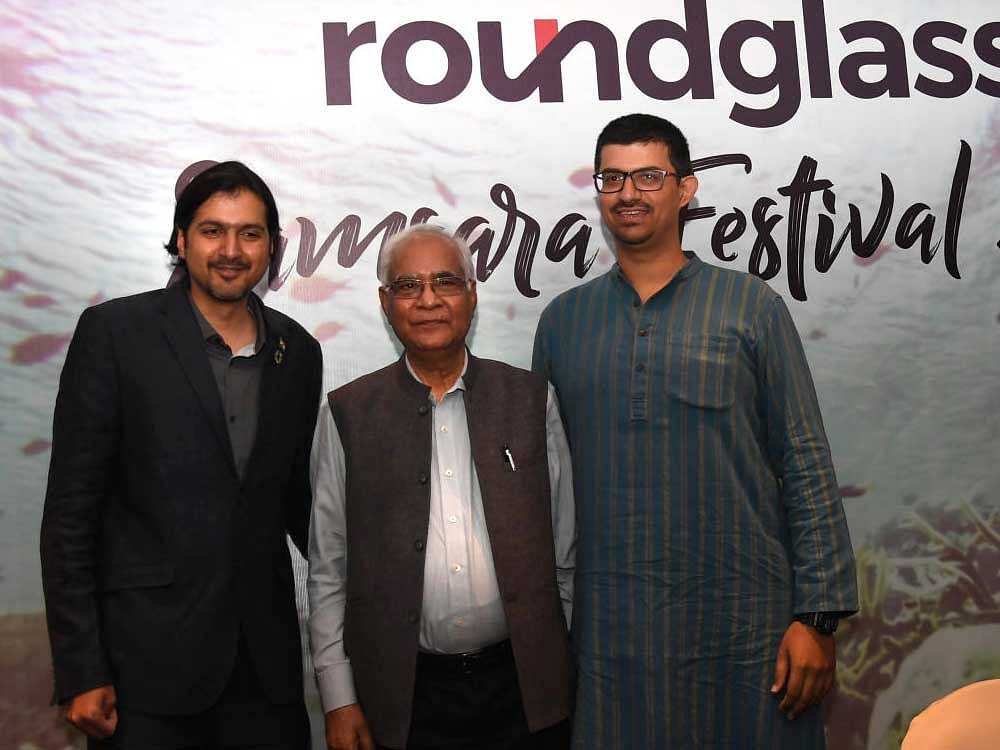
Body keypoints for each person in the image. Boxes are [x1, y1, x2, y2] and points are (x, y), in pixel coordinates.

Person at [532, 113, 859, 748]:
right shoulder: (563, 323)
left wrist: (816, 617)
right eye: (613, 177)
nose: (629, 193)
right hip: (610, 633)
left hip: (747, 629)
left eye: (649, 176)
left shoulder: (750, 306)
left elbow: (805, 458)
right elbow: (542, 484)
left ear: (685, 189)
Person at [40, 161, 323, 749]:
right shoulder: (115, 334)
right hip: (145, 672)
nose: (231, 249)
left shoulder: (297, 352)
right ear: (180, 238)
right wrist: (80, 668)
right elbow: (71, 514)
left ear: (272, 247)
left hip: (265, 674)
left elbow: (298, 504)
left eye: (250, 233)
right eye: (212, 230)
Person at [308, 225, 575, 750]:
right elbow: (328, 571)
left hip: (523, 690)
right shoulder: (347, 415)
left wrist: (559, 665)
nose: (428, 300)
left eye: (446, 282)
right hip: (404, 699)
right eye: (408, 286)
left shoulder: (529, 399)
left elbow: (566, 551)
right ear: (386, 303)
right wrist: (339, 698)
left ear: (472, 294)